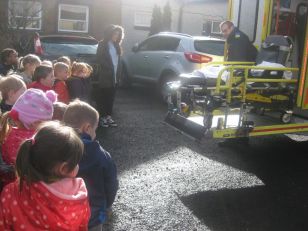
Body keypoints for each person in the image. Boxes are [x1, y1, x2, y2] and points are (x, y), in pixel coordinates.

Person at [0, 121, 90, 230]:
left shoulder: (11, 192)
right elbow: (82, 226)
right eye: (76, 162)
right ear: (64, 168)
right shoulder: (78, 195)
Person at [63, 100, 118, 230]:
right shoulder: (101, 154)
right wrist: (107, 205)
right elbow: (111, 184)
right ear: (87, 128)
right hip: (93, 215)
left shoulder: (57, 147)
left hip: (62, 213)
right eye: (95, 129)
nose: (95, 133)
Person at [0, 89, 57, 186]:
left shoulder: (7, 131)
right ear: (35, 123)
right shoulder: (36, 140)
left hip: (6, 184)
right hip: (25, 188)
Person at [95, 24, 124, 127]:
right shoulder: (102, 44)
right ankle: (102, 118)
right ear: (109, 33)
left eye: (118, 34)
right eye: (114, 33)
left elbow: (118, 62)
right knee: (103, 97)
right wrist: (109, 68)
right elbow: (99, 58)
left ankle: (108, 116)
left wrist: (119, 75)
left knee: (111, 98)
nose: (116, 36)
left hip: (115, 77)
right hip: (105, 76)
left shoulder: (117, 45)